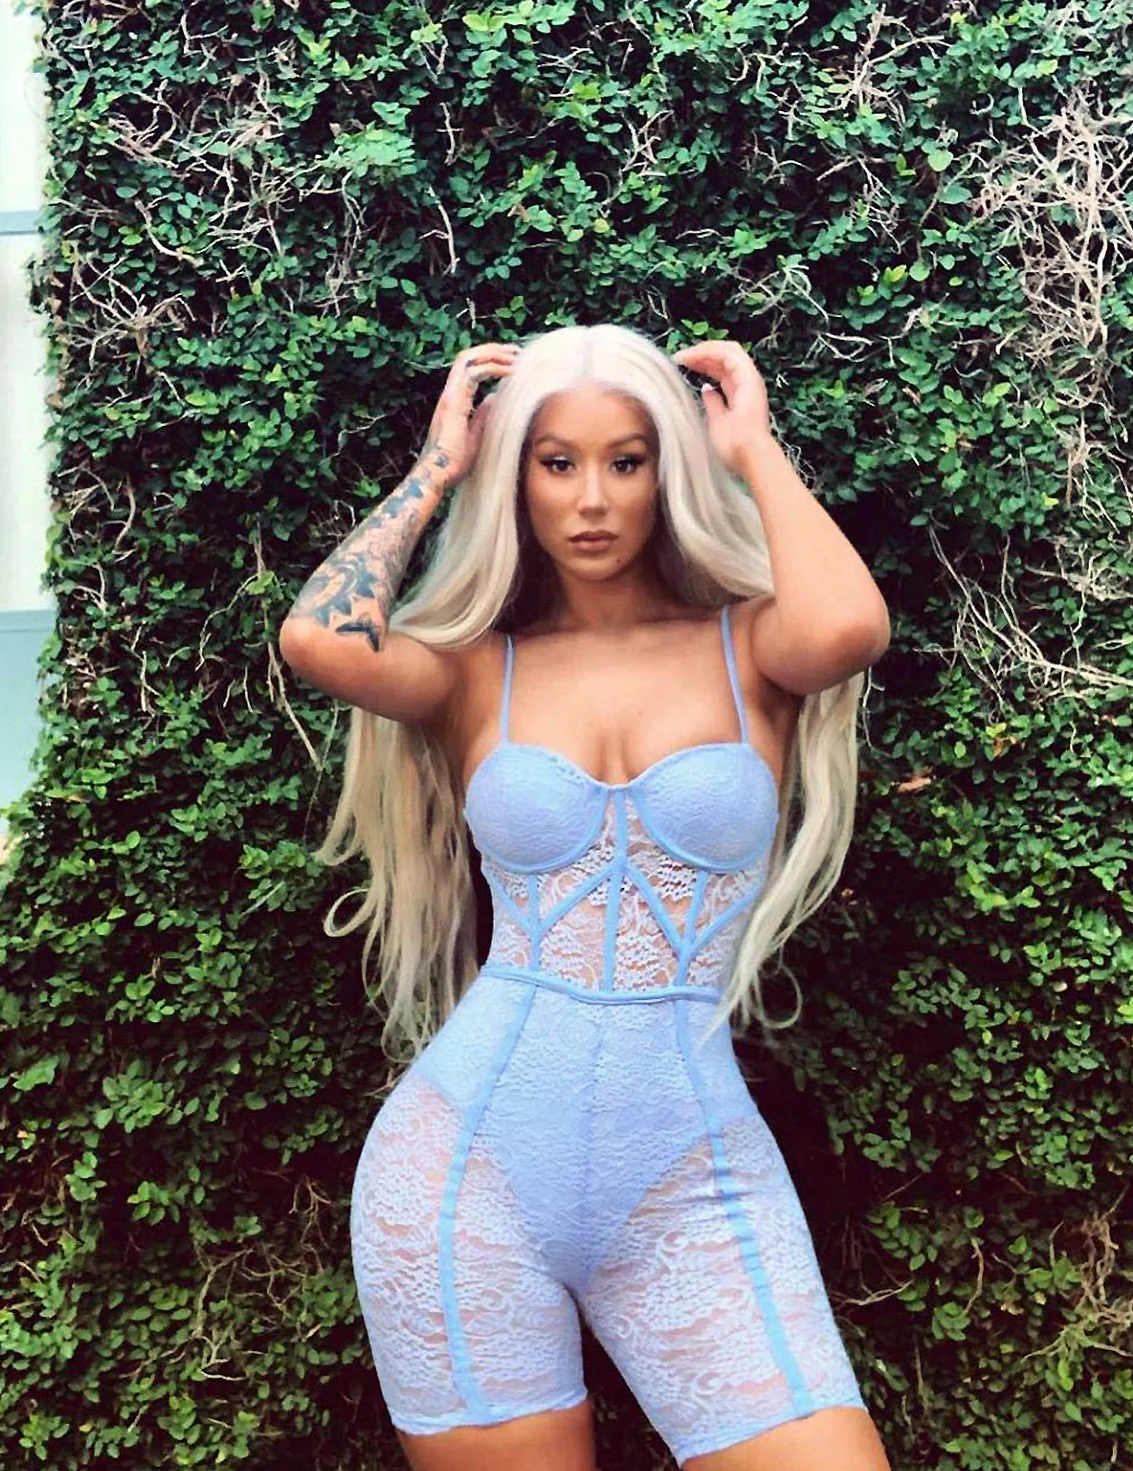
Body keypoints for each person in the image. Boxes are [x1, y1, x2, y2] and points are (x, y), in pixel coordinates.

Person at [279, 323, 893, 1471]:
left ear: (667, 472)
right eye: (555, 462)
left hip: (693, 1178)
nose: (592, 498)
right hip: (463, 1176)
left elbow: (849, 627)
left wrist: (748, 452)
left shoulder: (748, 650)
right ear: (519, 478)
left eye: (627, 459)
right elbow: (320, 639)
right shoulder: (477, 671)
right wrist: (440, 466)